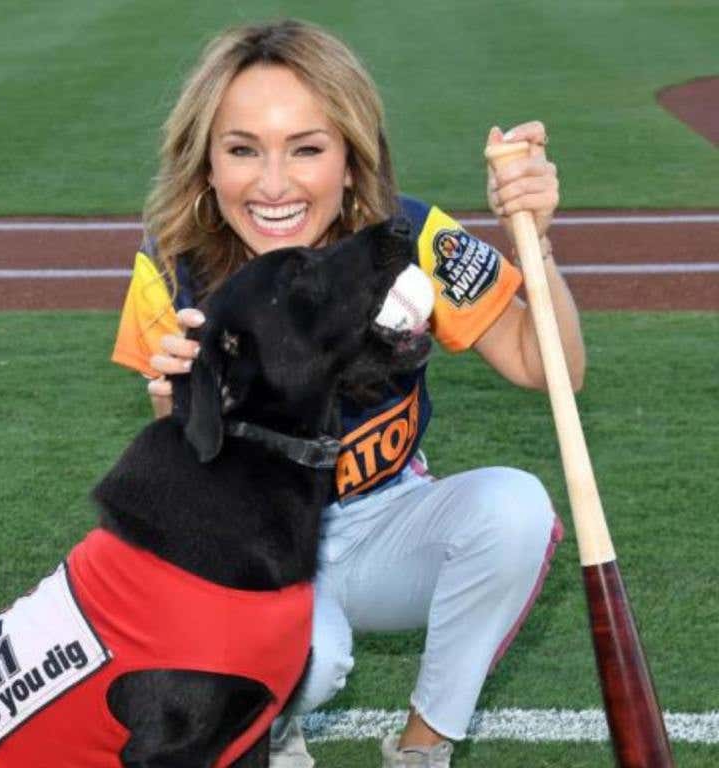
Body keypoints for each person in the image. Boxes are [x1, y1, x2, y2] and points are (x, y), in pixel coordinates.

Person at [110, 19, 582, 768]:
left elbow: (543, 364)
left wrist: (537, 238)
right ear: (205, 164)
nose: (273, 185)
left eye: (307, 148)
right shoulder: (174, 270)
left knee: (515, 509)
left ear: (353, 161)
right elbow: (194, 479)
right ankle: (267, 729)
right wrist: (180, 389)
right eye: (242, 150)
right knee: (312, 656)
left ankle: (422, 751)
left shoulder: (408, 237)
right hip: (263, 543)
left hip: (386, 519)